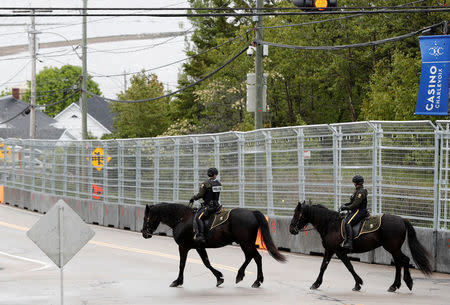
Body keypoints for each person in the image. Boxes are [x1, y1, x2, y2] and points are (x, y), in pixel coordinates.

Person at [189, 167, 222, 244]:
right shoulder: (219, 184)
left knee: (198, 218)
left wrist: (193, 198)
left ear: (208, 174)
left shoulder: (205, 184)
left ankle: (201, 235)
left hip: (209, 207)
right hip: (217, 206)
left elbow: (200, 194)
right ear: (215, 175)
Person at [339, 175, 369, 250]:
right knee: (345, 220)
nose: (354, 184)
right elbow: (352, 202)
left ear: (356, 183)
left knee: (348, 223)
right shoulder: (358, 190)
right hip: (356, 210)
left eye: (354, 182)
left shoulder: (361, 192)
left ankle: (349, 242)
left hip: (359, 211)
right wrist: (345, 205)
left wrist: (346, 207)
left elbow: (356, 205)